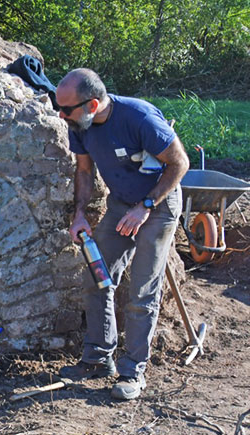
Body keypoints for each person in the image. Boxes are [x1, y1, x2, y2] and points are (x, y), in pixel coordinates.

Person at [56, 68, 189, 400]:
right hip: (121, 204)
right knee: (98, 275)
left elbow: (180, 163)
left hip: (157, 206)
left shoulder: (139, 118)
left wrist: (145, 206)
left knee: (142, 289)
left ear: (94, 104)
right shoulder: (80, 125)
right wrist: (80, 214)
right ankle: (99, 358)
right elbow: (84, 171)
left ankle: (133, 370)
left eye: (67, 109)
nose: (61, 115)